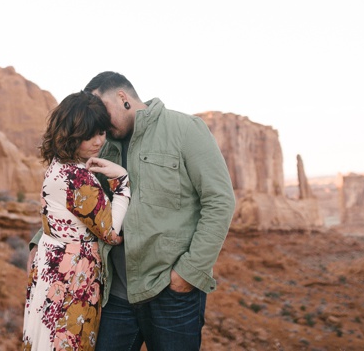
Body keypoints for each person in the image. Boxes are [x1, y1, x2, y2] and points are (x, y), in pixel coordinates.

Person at [84, 71, 236, 351]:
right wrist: (38, 241)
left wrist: (188, 273)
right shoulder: (101, 146)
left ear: (122, 97)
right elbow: (74, 198)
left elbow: (220, 200)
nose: (98, 122)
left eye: (100, 110)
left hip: (172, 293)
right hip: (117, 294)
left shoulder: (185, 129)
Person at [22, 91, 131, 351]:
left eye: (101, 132)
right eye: (87, 135)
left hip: (52, 267)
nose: (97, 142)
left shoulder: (59, 165)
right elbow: (111, 233)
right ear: (70, 134)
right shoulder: (77, 178)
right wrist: (122, 181)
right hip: (71, 277)